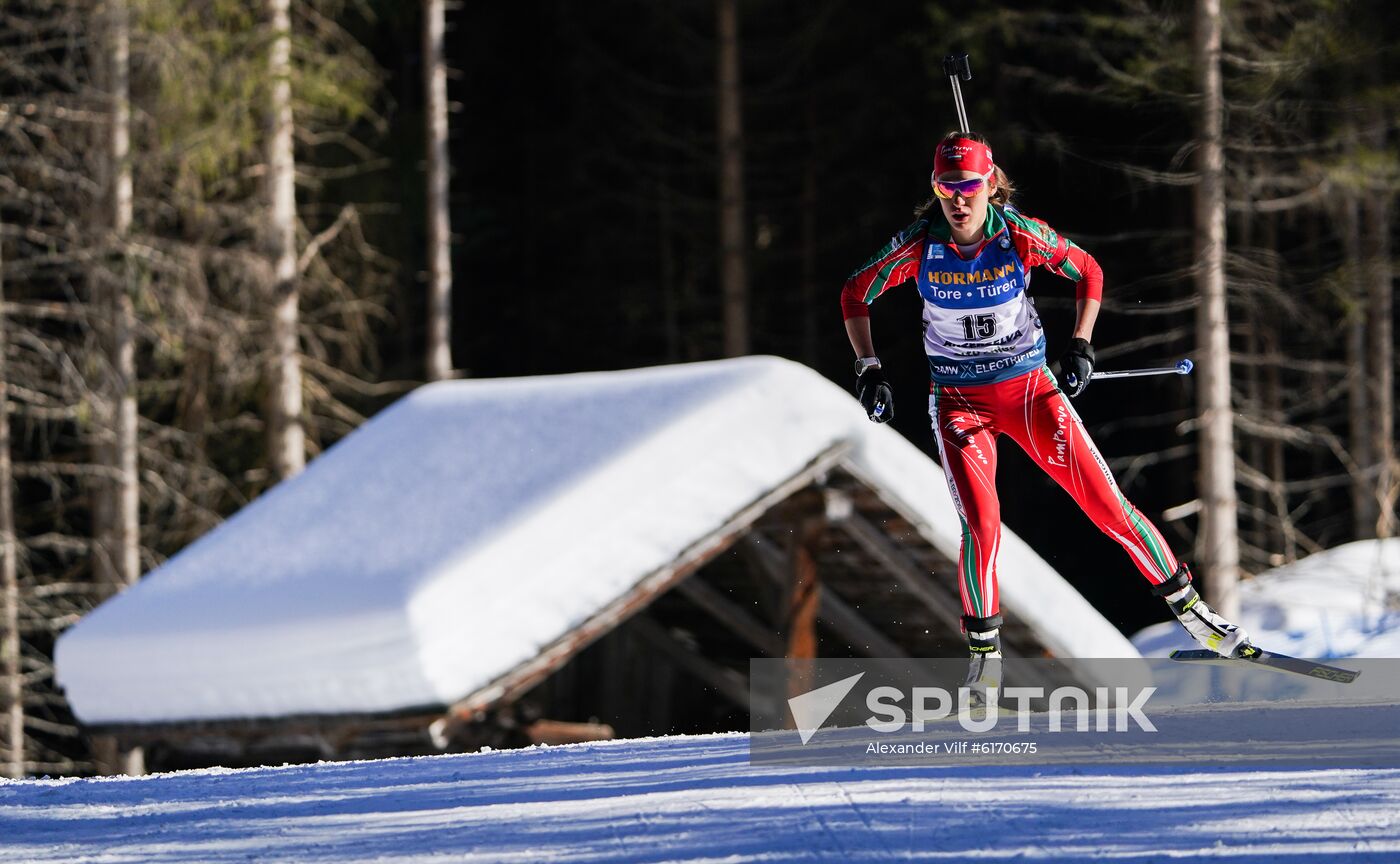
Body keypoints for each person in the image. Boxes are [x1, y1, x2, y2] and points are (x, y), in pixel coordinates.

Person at [840, 131, 1253, 686]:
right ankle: (984, 662)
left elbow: (1090, 272)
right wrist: (868, 368)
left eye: (967, 186)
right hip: (961, 404)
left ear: (989, 183)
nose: (957, 200)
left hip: (1029, 393)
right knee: (981, 526)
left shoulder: (1017, 235)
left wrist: (1080, 344)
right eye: (945, 187)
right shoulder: (919, 244)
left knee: (1106, 504)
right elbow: (854, 292)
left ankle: (1194, 615)